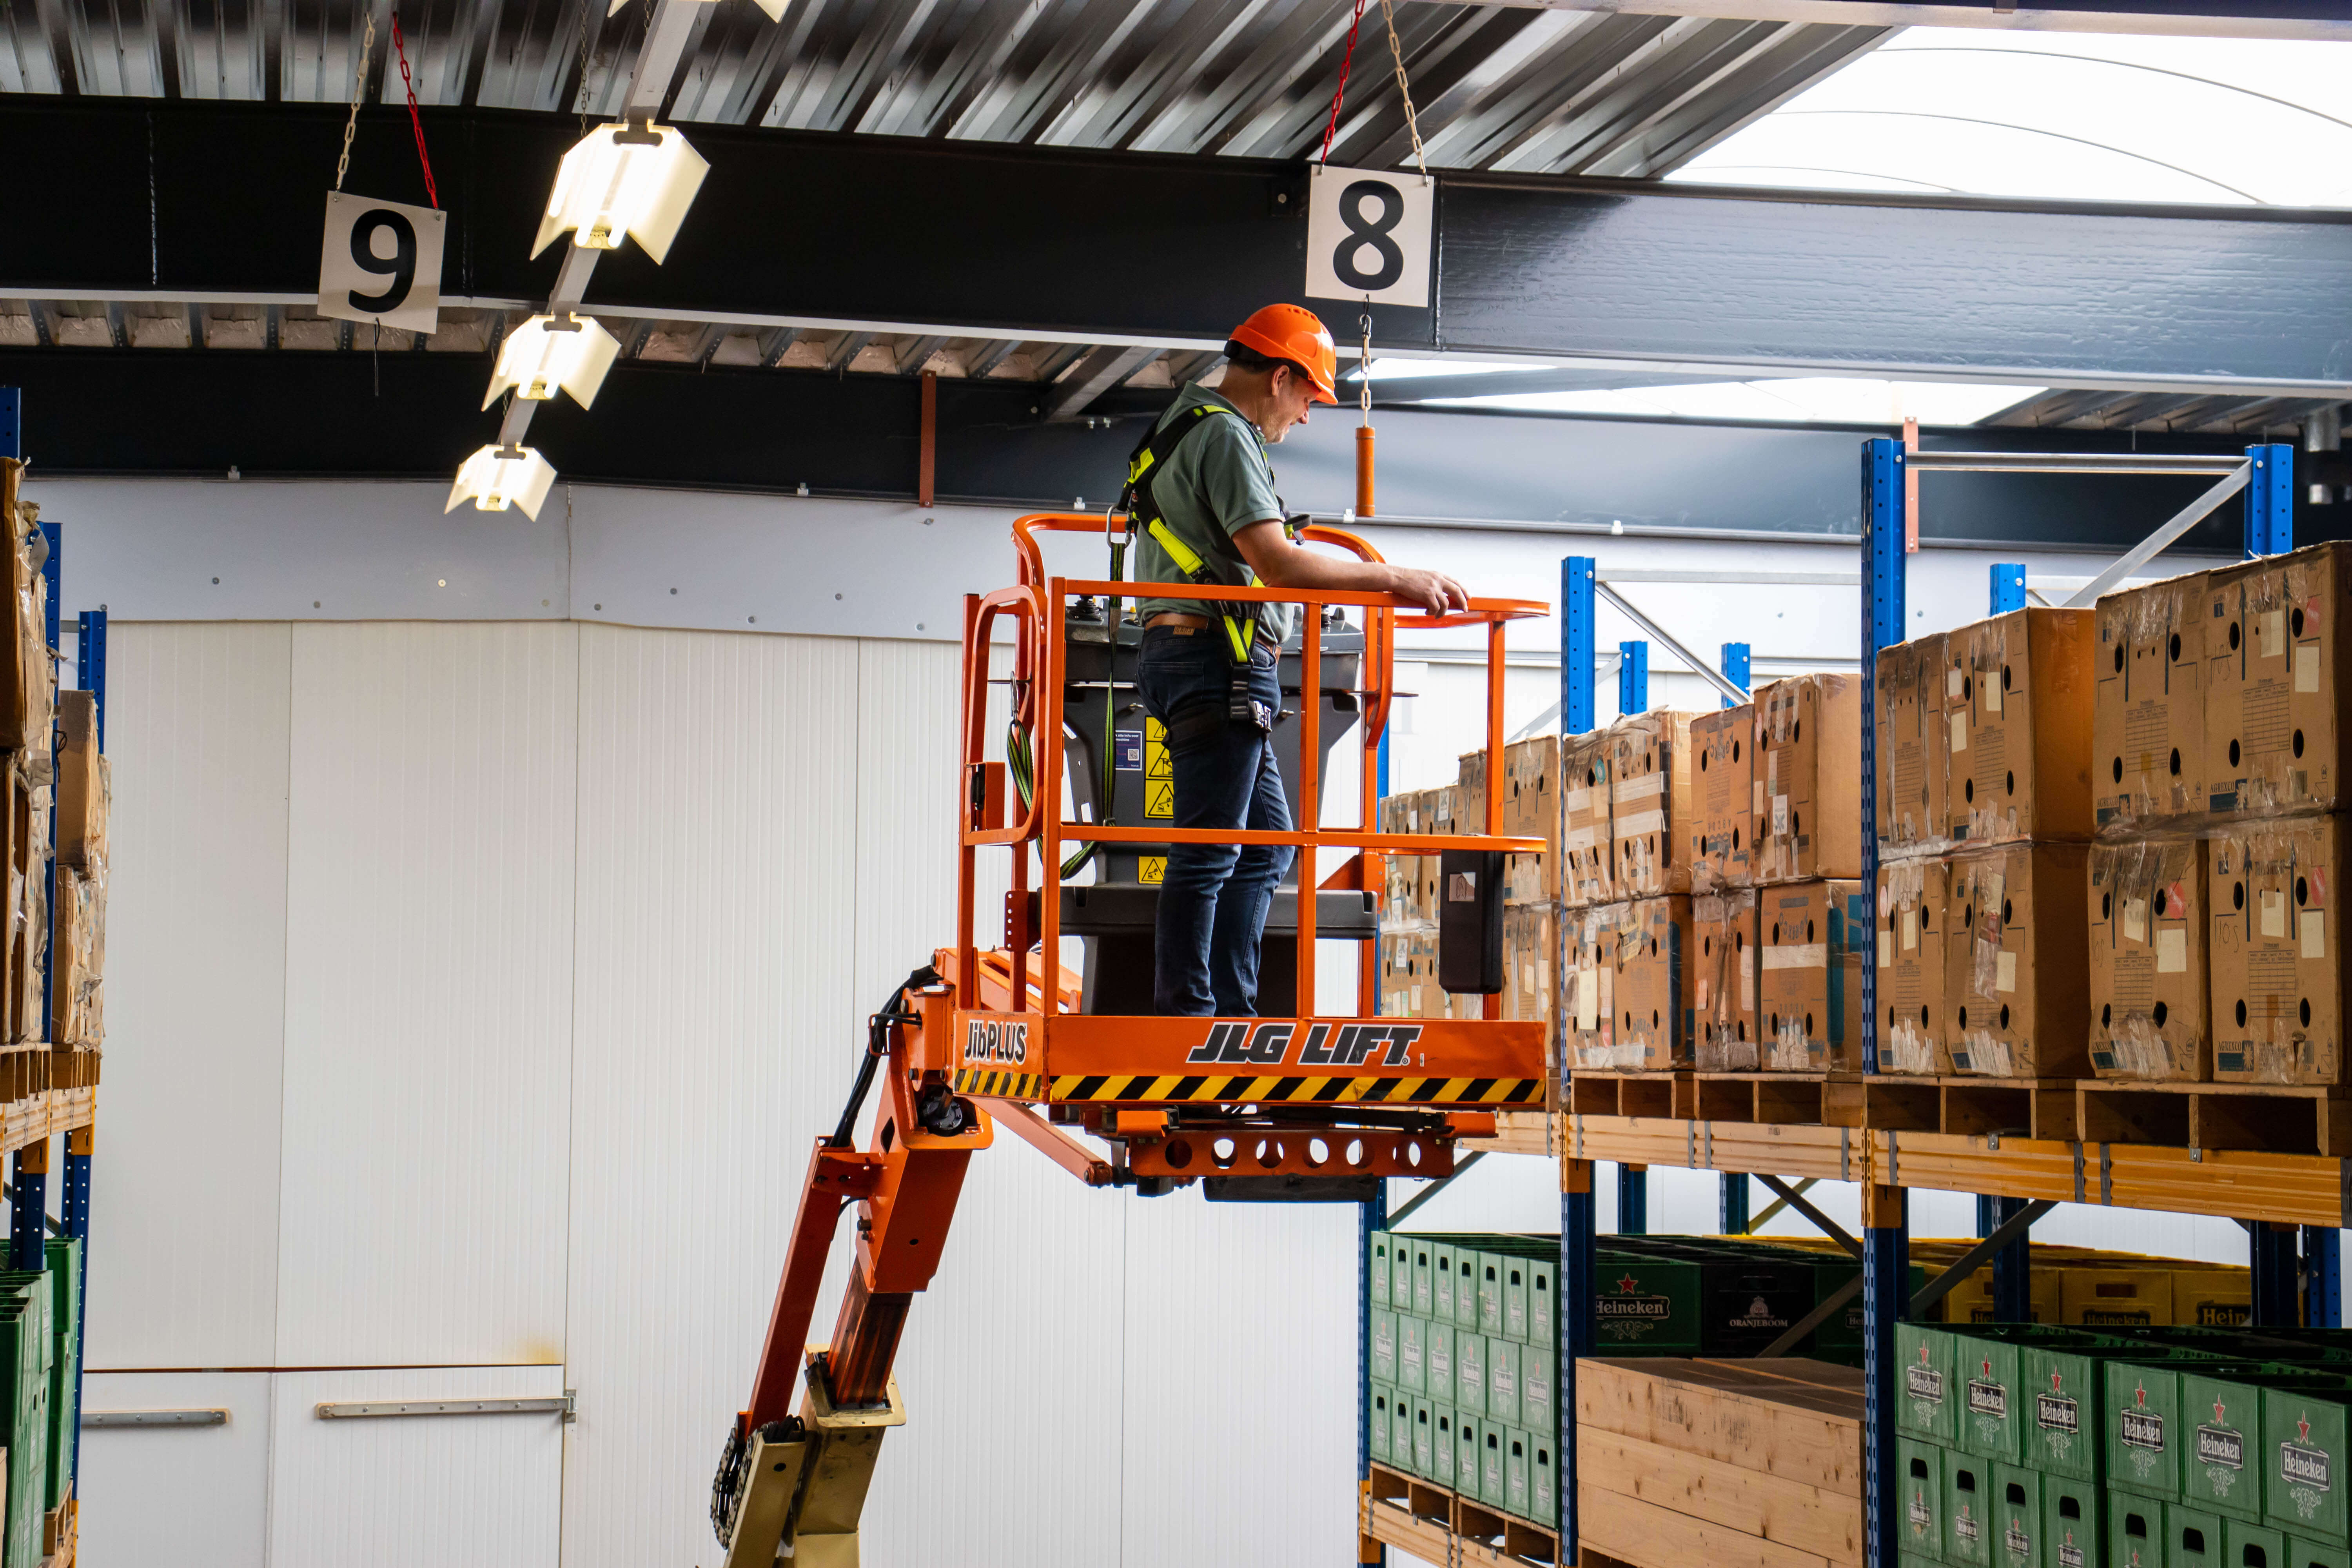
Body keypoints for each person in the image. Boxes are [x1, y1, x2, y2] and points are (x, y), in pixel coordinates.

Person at [1127, 303, 1469, 1018]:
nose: (1309, 416)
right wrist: (1394, 578)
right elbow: (1277, 564)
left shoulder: (1185, 425)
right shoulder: (1225, 435)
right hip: (1215, 661)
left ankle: (1228, 1011)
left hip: (1203, 656)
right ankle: (1188, 1020)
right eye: (1311, 396)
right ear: (1280, 377)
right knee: (1214, 848)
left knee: (1265, 844)